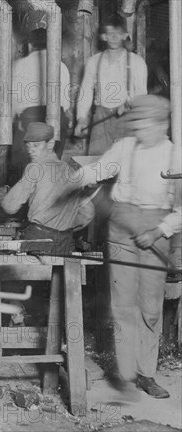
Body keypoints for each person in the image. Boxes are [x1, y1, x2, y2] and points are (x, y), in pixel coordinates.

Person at [70, 95, 181, 400]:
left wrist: (161, 230)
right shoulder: (125, 147)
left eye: (145, 124)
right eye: (137, 123)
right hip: (120, 229)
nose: (139, 129)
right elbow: (98, 170)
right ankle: (127, 374)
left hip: (155, 231)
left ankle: (147, 374)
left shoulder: (176, 156)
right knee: (122, 304)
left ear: (162, 124)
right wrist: (72, 178)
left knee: (149, 308)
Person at [1, 122, 94, 253]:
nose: (31, 150)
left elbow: (9, 206)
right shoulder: (72, 172)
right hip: (65, 242)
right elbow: (88, 214)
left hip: (39, 239)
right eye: (28, 146)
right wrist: (62, 226)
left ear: (50, 144)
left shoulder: (35, 167)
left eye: (36, 145)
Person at [74, 15, 147, 156]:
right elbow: (86, 91)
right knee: (97, 164)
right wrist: (82, 118)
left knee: (125, 166)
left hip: (127, 118)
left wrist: (130, 104)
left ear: (125, 35)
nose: (114, 37)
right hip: (100, 120)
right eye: (110, 33)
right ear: (103, 36)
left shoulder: (137, 62)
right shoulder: (93, 62)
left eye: (118, 33)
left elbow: (142, 94)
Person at [10, 27, 71, 185]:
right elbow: (66, 103)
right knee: (50, 171)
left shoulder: (19, 66)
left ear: (30, 45)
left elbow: (13, 103)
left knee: (25, 174)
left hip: (30, 121)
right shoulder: (61, 66)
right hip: (56, 121)